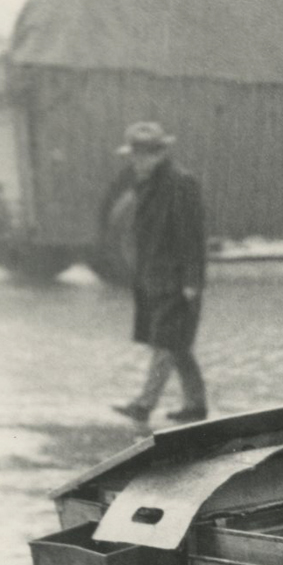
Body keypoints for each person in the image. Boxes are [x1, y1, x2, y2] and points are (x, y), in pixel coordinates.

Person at [113, 122, 209, 425]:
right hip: (154, 276)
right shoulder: (147, 183)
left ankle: (144, 404)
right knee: (177, 344)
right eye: (134, 156)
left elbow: (192, 235)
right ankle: (196, 404)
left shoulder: (180, 183)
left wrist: (192, 280)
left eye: (142, 156)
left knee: (165, 342)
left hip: (174, 278)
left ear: (158, 154)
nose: (136, 162)